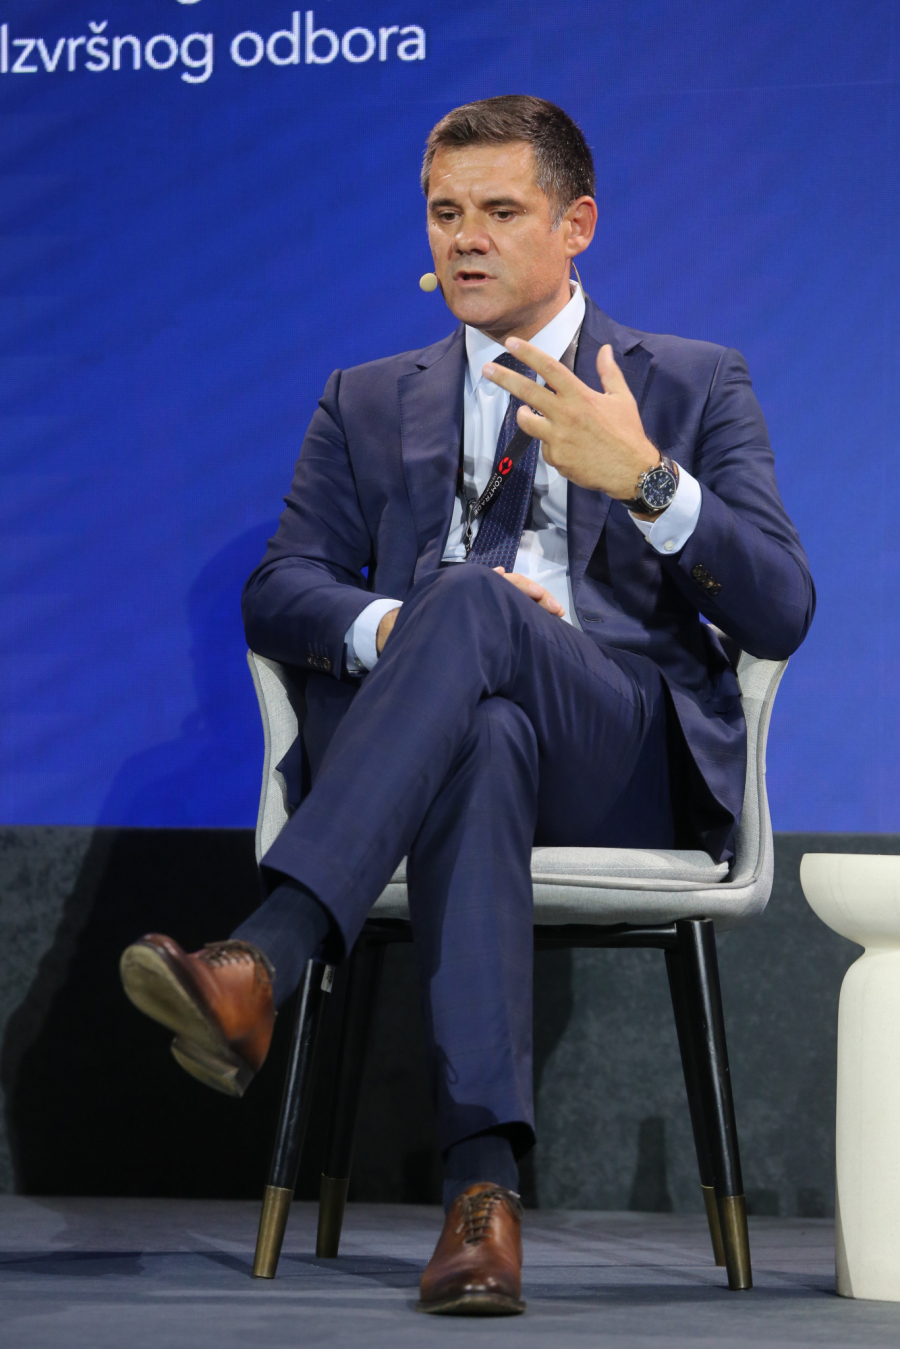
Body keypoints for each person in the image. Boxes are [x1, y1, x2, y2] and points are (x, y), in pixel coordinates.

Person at [120, 95, 814, 1316]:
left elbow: (782, 608)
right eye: (445, 213)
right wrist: (399, 625)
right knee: (482, 714)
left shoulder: (692, 382)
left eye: (499, 211)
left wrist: (647, 480)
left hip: (618, 752)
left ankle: (269, 955)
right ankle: (480, 1200)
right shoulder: (366, 397)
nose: (465, 239)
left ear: (577, 223)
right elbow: (279, 588)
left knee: (477, 604)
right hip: (440, 743)